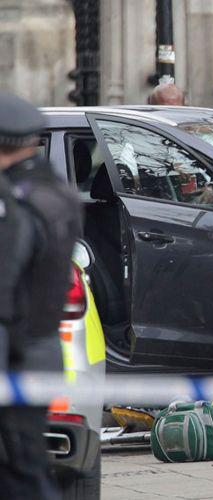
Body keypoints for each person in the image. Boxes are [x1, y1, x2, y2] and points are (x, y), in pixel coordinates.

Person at [0, 91, 82, 499]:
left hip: (16, 353)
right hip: (42, 349)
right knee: (24, 466)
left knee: (21, 473)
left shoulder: (15, 201)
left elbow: (5, 287)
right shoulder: (55, 191)